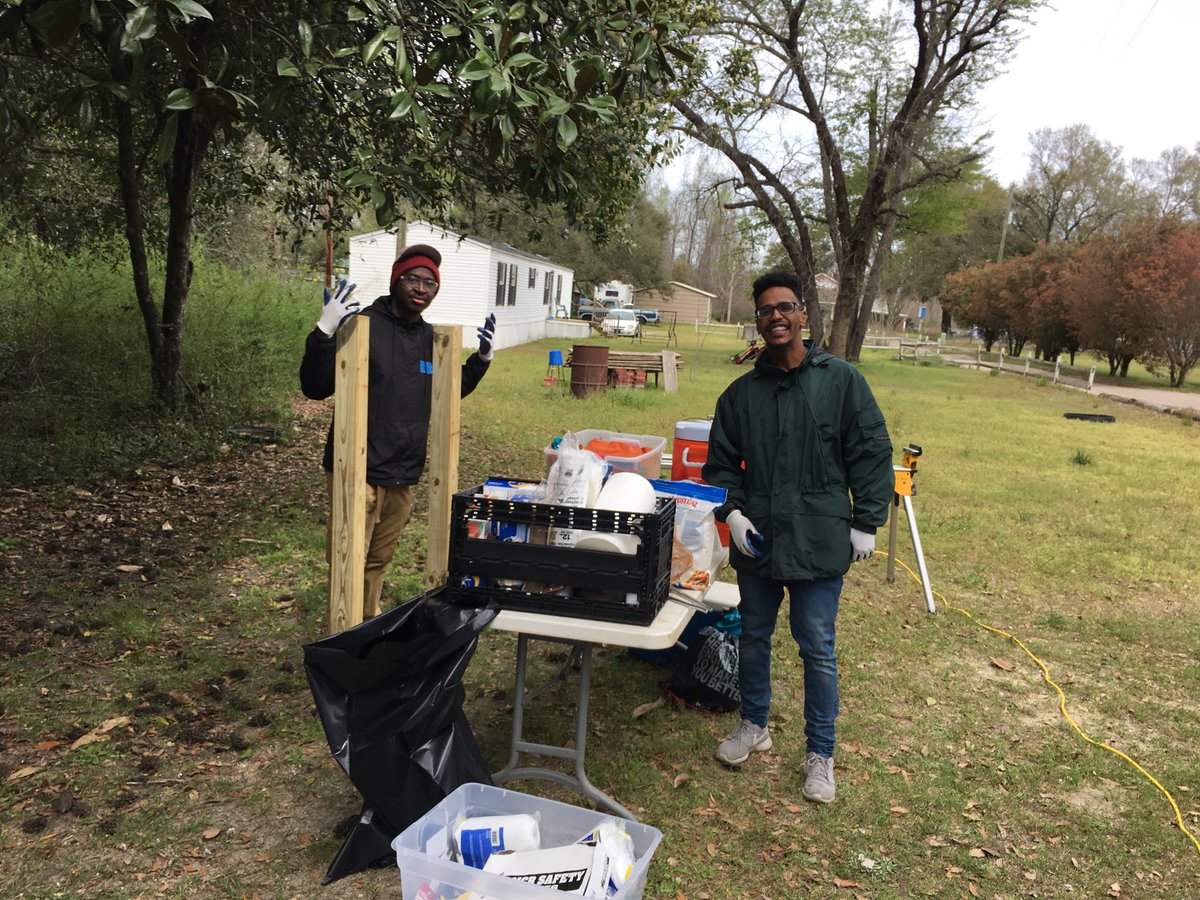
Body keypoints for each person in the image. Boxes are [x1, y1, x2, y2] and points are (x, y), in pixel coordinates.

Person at [701, 270, 893, 804]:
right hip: (758, 539)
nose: (776, 317)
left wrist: (865, 521)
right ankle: (754, 725)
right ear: (758, 322)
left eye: (785, 307)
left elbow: (871, 449)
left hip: (819, 538)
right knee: (753, 635)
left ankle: (820, 754)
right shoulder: (740, 395)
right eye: (766, 310)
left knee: (817, 647)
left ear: (804, 314)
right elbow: (720, 466)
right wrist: (732, 514)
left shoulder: (841, 381)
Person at [299, 243, 496, 618]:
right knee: (348, 559)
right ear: (396, 280)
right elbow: (315, 385)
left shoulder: (429, 340)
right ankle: (342, 633)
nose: (421, 289)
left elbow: (448, 392)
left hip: (402, 475)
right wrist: (325, 331)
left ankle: (367, 624)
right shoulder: (360, 326)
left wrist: (481, 359)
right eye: (413, 279)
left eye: (430, 284)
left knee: (378, 561)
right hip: (358, 471)